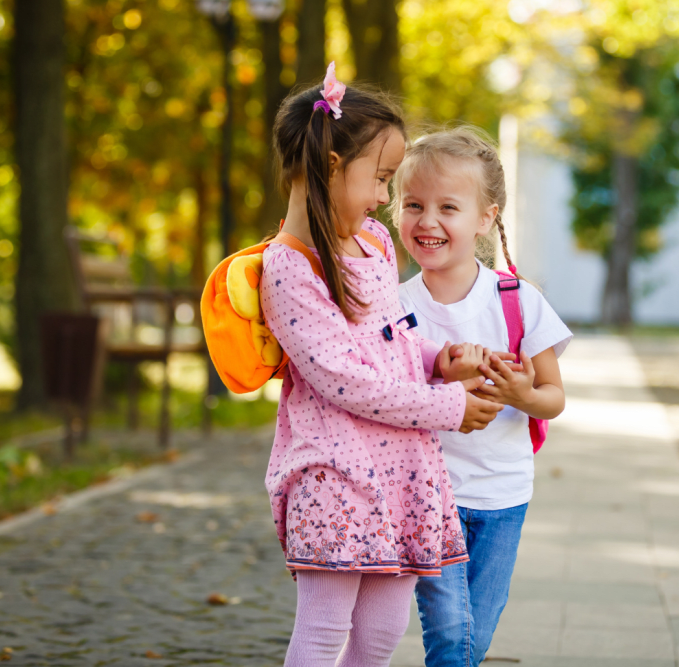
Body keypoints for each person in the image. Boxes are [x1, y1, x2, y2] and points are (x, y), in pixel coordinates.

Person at [260, 65, 504, 667]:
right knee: (324, 630)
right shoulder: (289, 267)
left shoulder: (371, 241)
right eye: (382, 178)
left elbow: (387, 339)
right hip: (338, 475)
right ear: (335, 166)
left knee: (383, 632)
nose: (384, 199)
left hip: (401, 472)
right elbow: (346, 379)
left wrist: (438, 361)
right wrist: (449, 406)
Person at [395, 127, 573, 667]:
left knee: (477, 631)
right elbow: (387, 396)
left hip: (503, 495)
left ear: (485, 218)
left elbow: (553, 398)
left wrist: (521, 392)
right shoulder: (391, 305)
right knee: (451, 636)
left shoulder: (517, 300)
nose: (428, 221)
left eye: (448, 206)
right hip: (427, 495)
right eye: (414, 205)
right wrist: (440, 382)